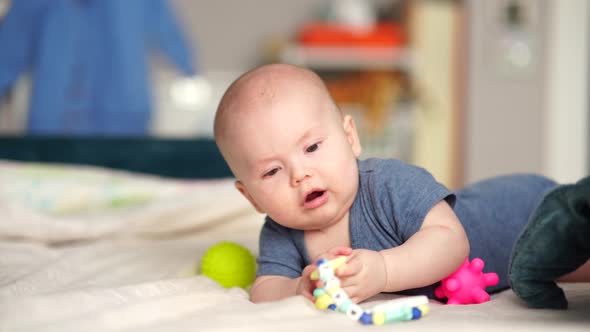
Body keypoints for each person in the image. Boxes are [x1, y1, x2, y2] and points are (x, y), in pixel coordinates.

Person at [213, 63, 590, 305]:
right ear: (251, 196)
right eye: (272, 172)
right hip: (509, 252)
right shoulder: (282, 230)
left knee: (572, 253)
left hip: (522, 214)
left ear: (350, 138)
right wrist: (298, 289)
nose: (300, 174)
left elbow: (450, 242)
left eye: (312, 147)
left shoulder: (387, 185)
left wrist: (383, 270)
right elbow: (265, 290)